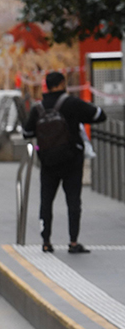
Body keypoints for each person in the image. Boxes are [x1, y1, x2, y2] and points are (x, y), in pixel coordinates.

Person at [23, 71, 106, 253]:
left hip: (47, 162)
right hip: (71, 161)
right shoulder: (72, 104)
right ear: (61, 84)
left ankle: (46, 242)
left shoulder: (39, 108)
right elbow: (99, 115)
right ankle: (73, 242)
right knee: (73, 201)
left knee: (46, 201)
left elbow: (27, 133)